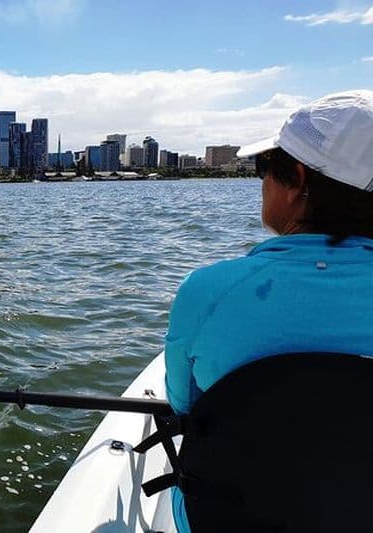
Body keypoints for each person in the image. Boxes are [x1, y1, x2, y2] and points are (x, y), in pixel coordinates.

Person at [163, 90, 373, 533]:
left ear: (298, 180)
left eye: (264, 169)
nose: (261, 183)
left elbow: (185, 407)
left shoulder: (209, 292)